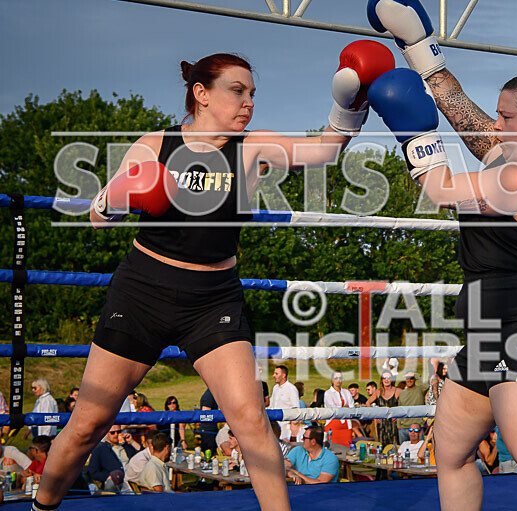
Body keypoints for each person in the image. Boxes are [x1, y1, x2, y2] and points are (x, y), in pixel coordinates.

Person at [34, 43, 393, 511]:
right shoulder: (155, 144)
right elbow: (100, 218)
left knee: (249, 419)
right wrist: (120, 193)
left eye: (252, 93)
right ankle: (43, 505)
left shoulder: (251, 148)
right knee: (87, 424)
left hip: (213, 300)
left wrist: (350, 104)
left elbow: (323, 152)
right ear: (201, 94)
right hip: (143, 291)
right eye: (237, 91)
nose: (248, 102)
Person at [366, 2, 517, 509]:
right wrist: (417, 46)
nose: (495, 125)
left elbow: (440, 190)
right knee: (452, 452)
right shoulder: (511, 153)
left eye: (507, 116)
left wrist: (413, 129)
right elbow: (457, 105)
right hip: (483, 319)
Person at [87, 426, 142, 491]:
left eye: (118, 432)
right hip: (115, 483)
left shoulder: (127, 447)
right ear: (106, 434)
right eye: (112, 433)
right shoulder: (99, 450)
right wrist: (109, 476)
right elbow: (93, 472)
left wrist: (132, 441)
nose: (116, 434)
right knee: (111, 483)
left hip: (132, 481)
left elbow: (142, 456)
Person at [365, 371, 401, 446]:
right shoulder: (378, 392)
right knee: (381, 445)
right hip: (381, 424)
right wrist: (375, 416)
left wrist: (399, 415)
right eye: (384, 378)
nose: (386, 380)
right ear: (381, 380)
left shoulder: (398, 391)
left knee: (394, 446)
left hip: (393, 424)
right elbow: (368, 403)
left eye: (389, 378)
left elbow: (405, 404)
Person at [323, 371, 356, 445]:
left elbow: (352, 407)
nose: (338, 380)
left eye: (340, 378)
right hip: (333, 424)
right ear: (332, 380)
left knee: (347, 446)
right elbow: (334, 409)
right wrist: (345, 408)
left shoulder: (346, 392)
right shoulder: (328, 393)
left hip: (346, 424)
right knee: (333, 447)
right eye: (336, 378)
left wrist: (344, 408)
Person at [397, 372, 429, 444]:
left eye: (411, 378)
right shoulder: (402, 393)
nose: (409, 380)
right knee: (403, 451)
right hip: (403, 428)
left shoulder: (420, 390)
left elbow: (426, 385)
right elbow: (399, 408)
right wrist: (399, 425)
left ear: (414, 379)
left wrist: (415, 374)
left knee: (419, 450)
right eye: (407, 378)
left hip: (417, 427)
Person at [270, 365, 300, 440]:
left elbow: (295, 408)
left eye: (276, 374)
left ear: (283, 375)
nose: (273, 376)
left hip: (285, 428)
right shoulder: (275, 388)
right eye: (274, 373)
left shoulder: (291, 389)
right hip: (273, 425)